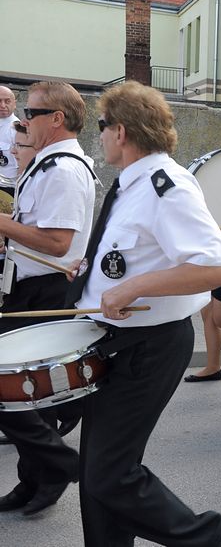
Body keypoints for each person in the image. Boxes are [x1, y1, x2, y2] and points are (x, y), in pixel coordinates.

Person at [67, 80, 221, 546]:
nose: (97, 136)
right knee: (96, 474)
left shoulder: (167, 185)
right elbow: (136, 253)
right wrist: (90, 277)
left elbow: (219, 266)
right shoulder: (132, 185)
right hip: (113, 341)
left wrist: (136, 286)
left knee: (110, 476)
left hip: (149, 346)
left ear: (120, 131)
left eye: (101, 127)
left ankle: (210, 542)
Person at [0, 81, 97, 516]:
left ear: (56, 118)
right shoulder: (47, 163)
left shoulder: (63, 169)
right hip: (28, 284)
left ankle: (59, 465)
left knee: (18, 392)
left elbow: (58, 243)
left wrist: (4, 224)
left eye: (31, 112)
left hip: (46, 289)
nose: (23, 119)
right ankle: (35, 478)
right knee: (24, 395)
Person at [0, 85, 19, 200]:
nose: (2, 105)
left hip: (8, 189)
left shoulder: (18, 129)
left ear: (14, 103)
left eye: (7, 101)